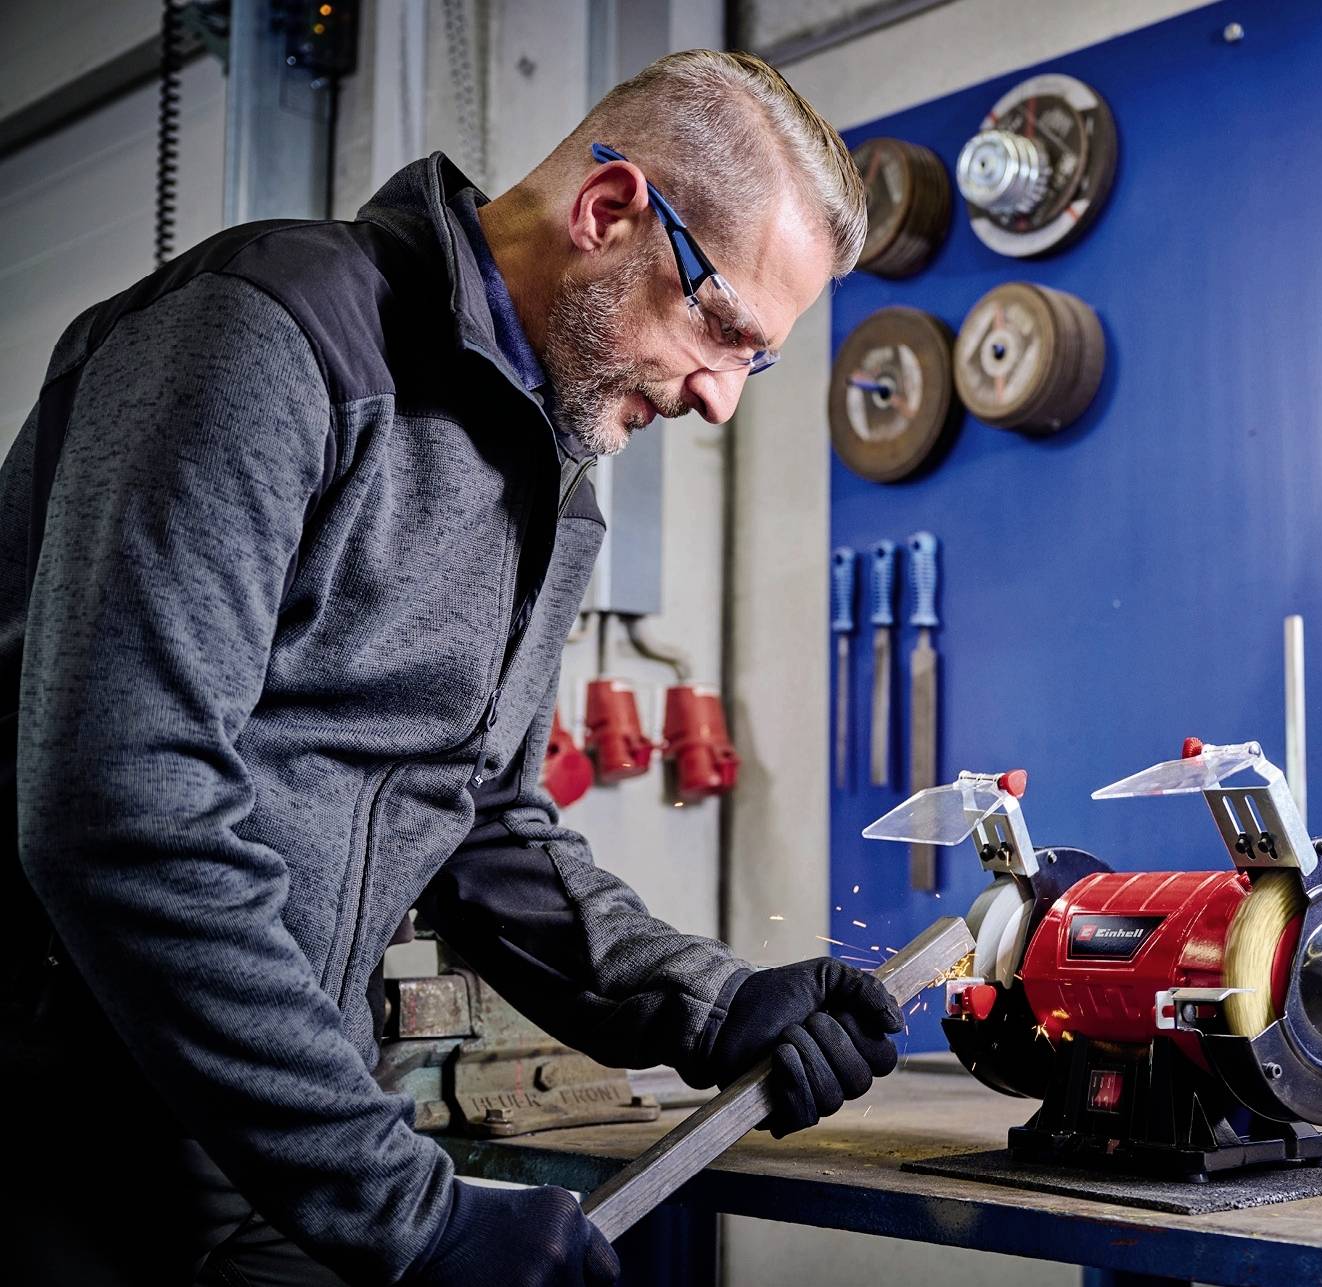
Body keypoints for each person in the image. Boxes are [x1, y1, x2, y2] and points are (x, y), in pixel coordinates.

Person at [3, 49, 895, 1287]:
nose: (720, 399)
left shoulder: (554, 495)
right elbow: (120, 815)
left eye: (758, 361)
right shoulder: (266, 337)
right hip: (60, 1129)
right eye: (722, 327)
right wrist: (407, 1213)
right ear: (608, 212)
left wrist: (710, 1005)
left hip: (279, 1125)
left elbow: (483, 829)